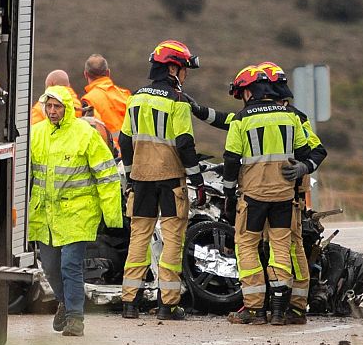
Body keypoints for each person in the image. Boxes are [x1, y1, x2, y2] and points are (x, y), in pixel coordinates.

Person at [117, 40, 205, 320]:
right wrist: (198, 181)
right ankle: (168, 304)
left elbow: (124, 140)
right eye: (184, 70)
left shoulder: (135, 98)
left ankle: (129, 302)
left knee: (138, 239)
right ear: (171, 68)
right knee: (171, 241)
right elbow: (185, 144)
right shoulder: (176, 101)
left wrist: (131, 175)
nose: (185, 75)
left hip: (141, 180)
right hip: (170, 181)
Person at [223, 66, 313, 325]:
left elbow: (231, 159)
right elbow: (305, 152)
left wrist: (229, 194)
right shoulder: (290, 117)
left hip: (253, 197)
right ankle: (278, 310)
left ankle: (255, 310)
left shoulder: (242, 119)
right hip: (284, 197)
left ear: (249, 91)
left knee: (247, 247)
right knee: (282, 248)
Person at [29, 87, 122, 337]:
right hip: (45, 216)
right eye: (48, 106)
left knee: (70, 265)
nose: (52, 111)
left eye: (57, 107)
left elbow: (107, 174)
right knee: (50, 267)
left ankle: (75, 318)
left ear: (67, 108)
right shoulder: (36, 134)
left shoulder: (85, 135)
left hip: (78, 214)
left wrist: (111, 215)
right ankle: (65, 302)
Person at [253, 62, 326, 296]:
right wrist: (198, 109)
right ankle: (277, 299)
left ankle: (292, 304)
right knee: (273, 248)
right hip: (266, 193)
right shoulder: (259, 113)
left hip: (289, 196)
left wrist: (304, 167)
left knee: (289, 247)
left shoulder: (293, 116)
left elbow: (318, 150)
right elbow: (229, 120)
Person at [82, 53, 132, 138]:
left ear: (85, 74)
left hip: (106, 149)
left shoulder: (88, 100)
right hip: (128, 149)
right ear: (108, 73)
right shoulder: (126, 95)